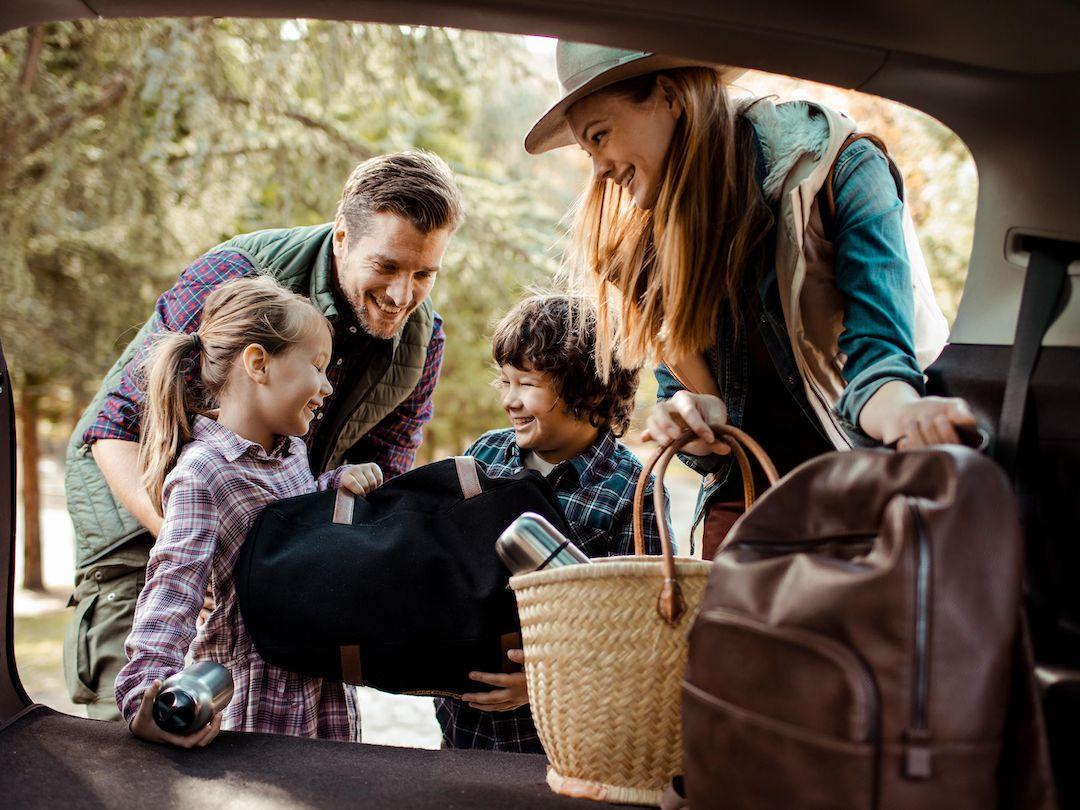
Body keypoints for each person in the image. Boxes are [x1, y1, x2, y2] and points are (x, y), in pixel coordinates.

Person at [525, 42, 978, 551]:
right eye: (590, 154)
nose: (600, 172)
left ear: (670, 97)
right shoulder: (649, 255)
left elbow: (880, 365)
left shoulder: (840, 168)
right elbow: (693, 408)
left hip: (861, 499)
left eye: (600, 137)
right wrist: (690, 420)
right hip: (748, 517)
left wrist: (906, 416)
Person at [64, 151, 462, 719]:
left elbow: (379, 489)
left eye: (424, 274)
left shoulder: (422, 344)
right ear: (343, 236)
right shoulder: (235, 271)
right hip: (142, 517)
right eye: (388, 266)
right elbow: (114, 427)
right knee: (138, 733)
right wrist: (198, 552)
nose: (403, 294)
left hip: (267, 541)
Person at [115, 275, 382, 746]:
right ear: (259, 363)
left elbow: (290, 527)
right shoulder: (205, 472)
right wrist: (145, 696)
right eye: (318, 366)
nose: (326, 385)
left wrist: (333, 487)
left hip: (320, 692)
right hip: (257, 704)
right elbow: (173, 588)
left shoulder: (290, 454)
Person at [435, 294, 672, 753]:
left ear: (589, 387)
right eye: (504, 381)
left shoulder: (633, 491)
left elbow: (640, 633)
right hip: (461, 729)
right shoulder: (485, 454)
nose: (509, 400)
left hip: (557, 739)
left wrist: (540, 684)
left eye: (526, 383)